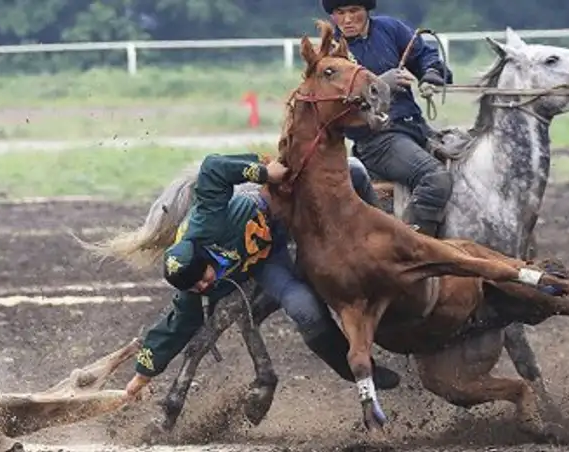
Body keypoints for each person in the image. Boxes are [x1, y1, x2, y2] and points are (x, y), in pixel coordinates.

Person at [124, 153, 400, 399]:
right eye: (195, 287)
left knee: (355, 170)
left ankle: (389, 235)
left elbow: (212, 168)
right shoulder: (195, 285)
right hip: (267, 257)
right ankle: (357, 371)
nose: (203, 285)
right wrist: (141, 376)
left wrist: (265, 173)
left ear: (203, 253)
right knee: (304, 310)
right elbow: (173, 327)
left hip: (276, 203)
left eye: (201, 278)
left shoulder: (208, 220)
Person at [322, 0, 455, 238]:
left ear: (366, 11)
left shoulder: (391, 28)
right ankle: (415, 247)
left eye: (354, 11)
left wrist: (432, 73)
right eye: (340, 13)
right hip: (376, 141)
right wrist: (382, 84)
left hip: (414, 128)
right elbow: (334, 105)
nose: (348, 19)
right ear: (332, 16)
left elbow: (424, 54)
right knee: (435, 178)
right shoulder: (330, 53)